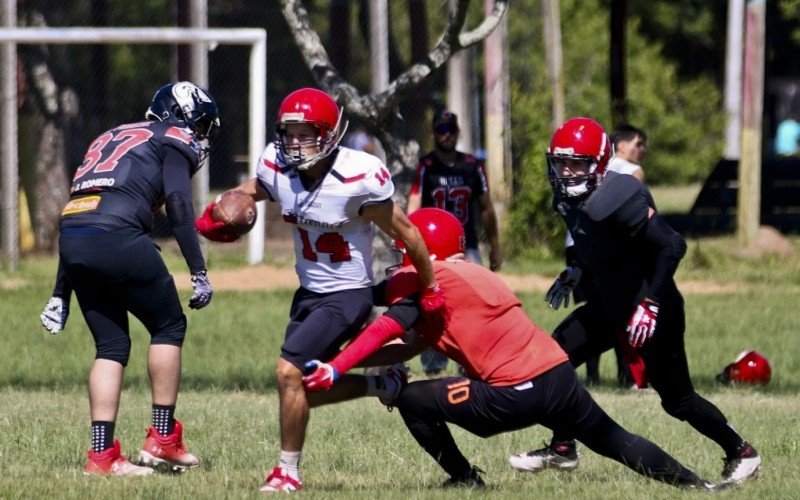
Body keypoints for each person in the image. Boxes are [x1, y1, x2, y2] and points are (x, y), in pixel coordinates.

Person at [303, 208, 724, 491]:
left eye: (406, 250)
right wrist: (350, 360)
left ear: (423, 252)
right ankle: (694, 485)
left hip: (513, 391)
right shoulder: (474, 274)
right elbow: (405, 346)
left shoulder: (435, 281)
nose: (400, 259)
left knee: (410, 398)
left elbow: (386, 327)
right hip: (557, 374)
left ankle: (465, 480)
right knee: (613, 439)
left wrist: (336, 369)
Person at [194, 87, 446, 494]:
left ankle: (287, 473)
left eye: (305, 133)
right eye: (288, 133)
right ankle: (385, 384)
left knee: (287, 373)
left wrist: (430, 285)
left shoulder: (356, 177)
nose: (294, 143)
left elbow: (409, 233)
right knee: (305, 389)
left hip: (348, 294)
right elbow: (256, 188)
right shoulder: (277, 165)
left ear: (329, 134)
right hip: (309, 292)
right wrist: (227, 205)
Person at [509, 117, 760, 485]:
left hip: (652, 310)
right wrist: (576, 269)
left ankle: (742, 451)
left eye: (576, 162)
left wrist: (652, 302)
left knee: (677, 401)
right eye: (561, 161)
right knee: (552, 360)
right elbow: (592, 241)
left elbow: (672, 244)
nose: (566, 170)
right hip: (610, 306)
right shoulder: (567, 197)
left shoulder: (620, 195)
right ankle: (563, 447)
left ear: (597, 164)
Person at [38, 81, 220, 476]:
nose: (202, 136)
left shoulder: (111, 135)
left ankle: (101, 456)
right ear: (184, 117)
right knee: (169, 326)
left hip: (73, 240)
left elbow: (82, 211)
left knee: (112, 344)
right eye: (201, 125)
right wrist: (199, 270)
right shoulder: (173, 137)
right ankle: (163, 439)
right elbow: (177, 201)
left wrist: (59, 293)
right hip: (118, 236)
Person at [407, 109, 502, 376]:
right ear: (433, 134)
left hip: (466, 245)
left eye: (450, 130)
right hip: (433, 248)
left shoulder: (472, 165)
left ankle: (469, 362)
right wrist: (410, 244)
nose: (446, 135)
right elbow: (414, 205)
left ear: (458, 132)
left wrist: (494, 246)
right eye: (441, 130)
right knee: (430, 302)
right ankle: (433, 365)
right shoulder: (426, 166)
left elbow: (486, 209)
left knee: (474, 304)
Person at [581, 123, 648, 387]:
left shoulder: (595, 168)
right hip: (613, 252)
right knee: (622, 313)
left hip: (581, 247)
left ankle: (593, 377)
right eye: (638, 143)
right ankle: (628, 375)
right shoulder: (633, 171)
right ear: (619, 145)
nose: (643, 150)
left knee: (593, 311)